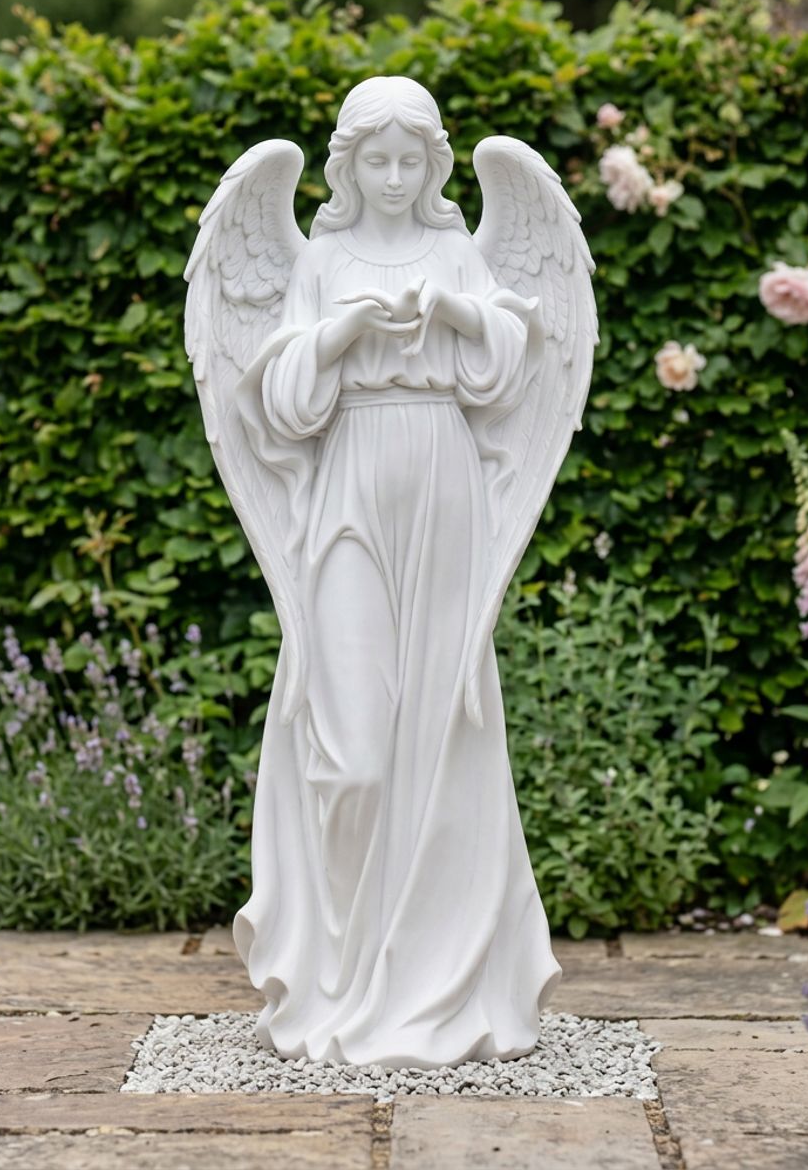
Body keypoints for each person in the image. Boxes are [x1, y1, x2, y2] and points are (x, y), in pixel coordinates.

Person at [230, 76, 562, 1069]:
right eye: (374, 159)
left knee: (444, 733)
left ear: (433, 165)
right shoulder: (321, 261)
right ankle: (337, 977)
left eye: (409, 160)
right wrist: (342, 332)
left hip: (446, 492)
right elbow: (280, 402)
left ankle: (435, 985)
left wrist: (455, 312)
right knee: (353, 748)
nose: (391, 177)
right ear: (346, 165)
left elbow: (509, 366)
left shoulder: (460, 252)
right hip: (349, 493)